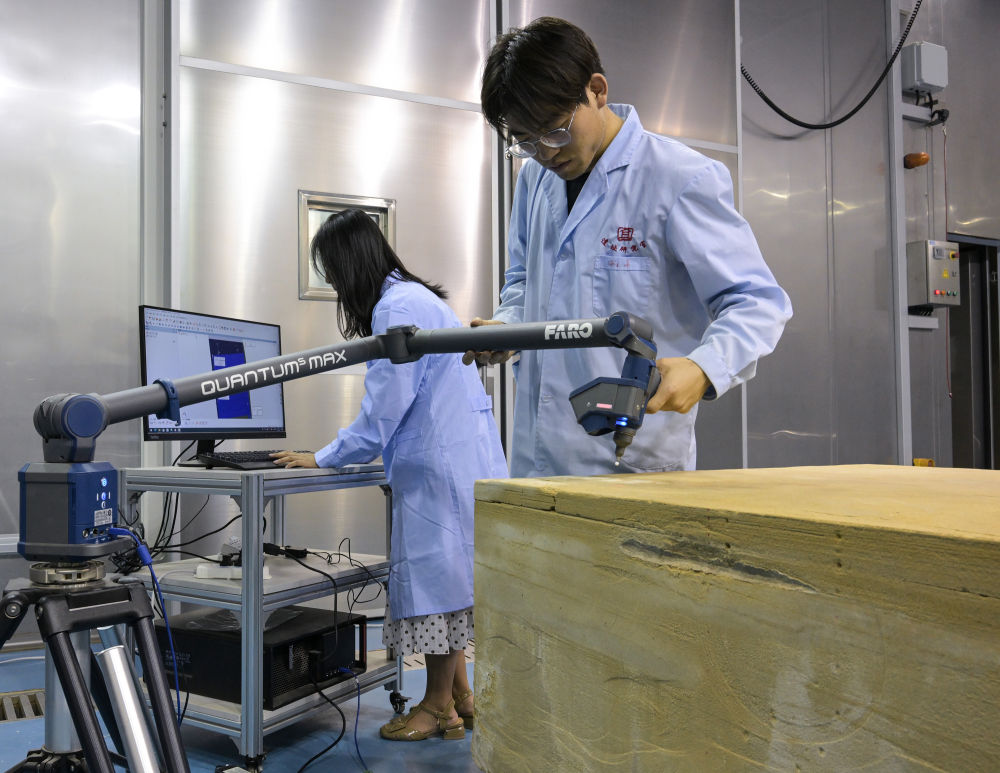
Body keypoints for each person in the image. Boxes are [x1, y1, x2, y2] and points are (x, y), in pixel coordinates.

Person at [466, 16, 792, 477]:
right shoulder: (535, 180)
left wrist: (704, 367)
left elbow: (757, 301)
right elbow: (524, 282)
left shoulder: (679, 178)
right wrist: (506, 327)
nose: (546, 152)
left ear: (596, 90)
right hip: (537, 457)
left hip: (630, 461)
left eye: (555, 130)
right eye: (525, 141)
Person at [272, 208, 508, 741]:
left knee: (438, 586)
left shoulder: (395, 307)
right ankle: (462, 697)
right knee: (451, 582)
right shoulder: (420, 297)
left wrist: (324, 456)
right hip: (457, 460)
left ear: (348, 264)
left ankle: (437, 706)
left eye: (333, 274)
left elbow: (384, 407)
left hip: (438, 467)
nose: (336, 287)